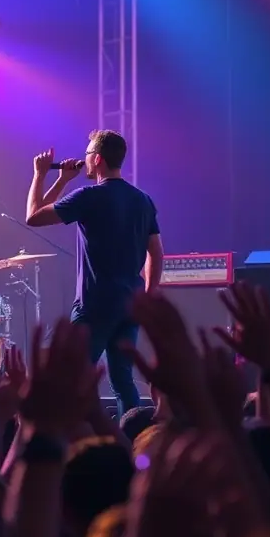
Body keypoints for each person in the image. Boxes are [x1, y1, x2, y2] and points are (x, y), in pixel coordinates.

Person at [24, 130, 163, 414]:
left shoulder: (89, 196)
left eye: (88, 155)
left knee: (70, 378)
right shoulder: (143, 200)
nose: (84, 159)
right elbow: (157, 253)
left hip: (94, 304)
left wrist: (41, 174)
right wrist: (147, 296)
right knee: (123, 381)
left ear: (97, 159)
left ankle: (73, 439)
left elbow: (34, 216)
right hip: (130, 305)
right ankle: (131, 440)